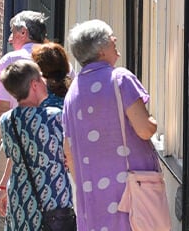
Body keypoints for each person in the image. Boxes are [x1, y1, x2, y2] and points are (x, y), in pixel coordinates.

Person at [63, 19, 160, 231]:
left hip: (92, 199)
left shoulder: (72, 93)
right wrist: (154, 123)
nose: (115, 40)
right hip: (131, 194)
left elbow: (68, 153)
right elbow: (144, 129)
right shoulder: (120, 79)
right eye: (110, 38)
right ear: (100, 49)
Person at [0, 60, 74, 231]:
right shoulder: (55, 117)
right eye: (41, 78)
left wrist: (2, 187)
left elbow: (14, 156)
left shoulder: (7, 120)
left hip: (20, 198)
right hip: (53, 198)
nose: (45, 81)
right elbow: (70, 155)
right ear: (34, 84)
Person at [0, 11, 47, 178]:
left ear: (23, 32)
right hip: (52, 146)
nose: (10, 38)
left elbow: (2, 109)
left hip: (17, 145)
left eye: (13, 32)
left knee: (7, 201)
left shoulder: (11, 61)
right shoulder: (62, 63)